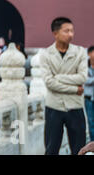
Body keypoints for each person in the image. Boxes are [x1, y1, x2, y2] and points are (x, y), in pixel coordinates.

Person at [41, 17, 87, 155]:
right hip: (54, 107)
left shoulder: (79, 52)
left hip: (75, 106)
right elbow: (49, 83)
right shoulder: (46, 54)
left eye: (72, 31)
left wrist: (59, 78)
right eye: (66, 31)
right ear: (55, 33)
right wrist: (75, 89)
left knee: (79, 149)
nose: (71, 34)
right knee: (51, 148)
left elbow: (82, 77)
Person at [85, 46, 94, 141]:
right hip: (88, 99)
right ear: (89, 54)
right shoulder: (85, 67)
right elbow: (84, 79)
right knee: (91, 122)